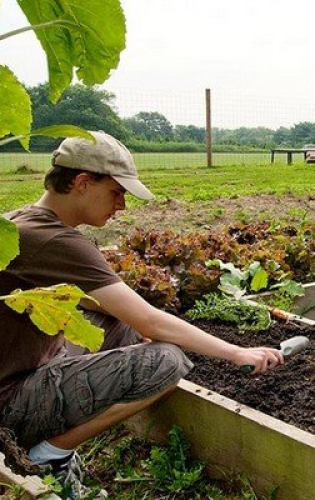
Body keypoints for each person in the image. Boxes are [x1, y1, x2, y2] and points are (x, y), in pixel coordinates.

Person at [0, 131, 285, 498]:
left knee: (119, 323)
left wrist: (138, 327)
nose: (121, 205)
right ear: (82, 183)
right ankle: (49, 455)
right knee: (165, 362)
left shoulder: (23, 221)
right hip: (10, 403)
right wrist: (237, 352)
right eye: (116, 192)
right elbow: (149, 320)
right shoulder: (56, 241)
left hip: (19, 370)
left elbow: (108, 308)